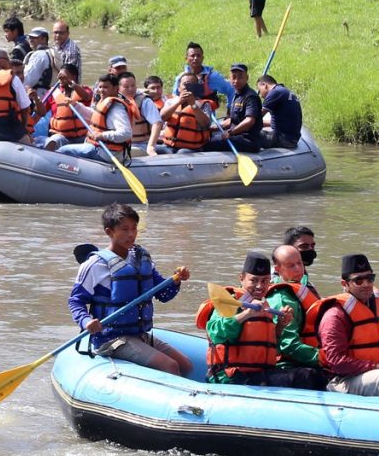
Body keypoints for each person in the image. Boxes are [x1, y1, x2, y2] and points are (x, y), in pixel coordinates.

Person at [69, 203, 192, 376]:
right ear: (109, 232)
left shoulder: (141, 259)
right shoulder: (94, 265)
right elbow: (76, 301)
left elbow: (164, 294)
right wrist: (86, 321)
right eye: (125, 229)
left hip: (138, 335)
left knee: (186, 365)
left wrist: (177, 280)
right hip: (110, 339)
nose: (131, 234)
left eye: (134, 228)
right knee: (169, 366)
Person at [199, 250, 321, 389]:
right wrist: (246, 315)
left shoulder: (264, 307)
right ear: (241, 278)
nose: (259, 286)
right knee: (306, 376)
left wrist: (281, 325)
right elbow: (215, 332)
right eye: (254, 280)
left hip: (258, 375)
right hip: (230, 377)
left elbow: (269, 349)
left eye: (265, 281)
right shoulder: (230, 301)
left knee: (313, 374)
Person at [310, 254, 379, 397]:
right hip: (342, 380)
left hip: (376, 372)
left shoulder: (374, 308)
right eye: (358, 280)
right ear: (344, 284)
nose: (366, 284)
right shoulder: (334, 316)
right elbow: (337, 362)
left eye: (370, 279)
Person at [264, 245, 324, 378]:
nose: (298, 268)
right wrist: (325, 358)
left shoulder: (303, 288)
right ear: (278, 269)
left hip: (311, 358)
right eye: (291, 266)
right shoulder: (282, 299)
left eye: (299, 263)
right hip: (288, 365)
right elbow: (289, 345)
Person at [57, 73, 131, 161]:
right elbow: (93, 115)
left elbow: (126, 133)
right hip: (99, 147)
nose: (101, 90)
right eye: (100, 87)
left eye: (105, 87)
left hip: (107, 152)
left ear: (115, 88)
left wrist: (102, 135)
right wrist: (74, 104)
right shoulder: (105, 102)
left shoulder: (117, 109)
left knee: (63, 151)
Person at [204, 63, 262, 153]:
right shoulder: (236, 95)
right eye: (234, 77)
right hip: (236, 136)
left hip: (248, 140)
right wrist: (214, 128)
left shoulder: (250, 97)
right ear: (230, 79)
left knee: (209, 144)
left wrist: (230, 132)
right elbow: (233, 119)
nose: (236, 80)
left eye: (240, 77)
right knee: (209, 136)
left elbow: (249, 121)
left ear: (247, 78)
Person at [157, 74, 213, 153]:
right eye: (185, 84)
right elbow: (162, 117)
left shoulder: (203, 105)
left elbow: (206, 125)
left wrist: (193, 105)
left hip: (191, 148)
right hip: (167, 146)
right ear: (179, 87)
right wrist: (179, 102)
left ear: (196, 88)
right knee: (152, 149)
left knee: (182, 152)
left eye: (192, 84)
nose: (188, 86)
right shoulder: (170, 102)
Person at [43, 63, 93, 150]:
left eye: (65, 76)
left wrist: (70, 82)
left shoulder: (84, 90)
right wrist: (36, 99)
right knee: (54, 140)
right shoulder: (53, 93)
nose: (61, 79)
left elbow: (86, 97)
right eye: (61, 76)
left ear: (74, 77)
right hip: (61, 136)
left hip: (83, 136)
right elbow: (40, 112)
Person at [171, 42, 233, 106]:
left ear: (202, 58)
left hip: (206, 114)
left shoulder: (213, 77)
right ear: (186, 59)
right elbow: (174, 98)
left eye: (198, 55)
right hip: (185, 114)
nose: (195, 58)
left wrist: (230, 109)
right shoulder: (180, 78)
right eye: (192, 56)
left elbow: (231, 90)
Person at [118, 71, 163, 156]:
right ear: (118, 88)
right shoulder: (114, 101)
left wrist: (151, 146)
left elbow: (157, 123)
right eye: (126, 87)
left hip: (141, 145)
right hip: (120, 145)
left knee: (121, 154)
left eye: (133, 85)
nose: (131, 89)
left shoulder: (145, 101)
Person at [256, 74, 302, 148]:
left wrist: (237, 126)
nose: (260, 95)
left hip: (283, 139)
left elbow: (256, 117)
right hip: (292, 138)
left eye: (259, 90)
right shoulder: (284, 91)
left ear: (264, 85)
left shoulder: (274, 92)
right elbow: (277, 122)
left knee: (248, 136)